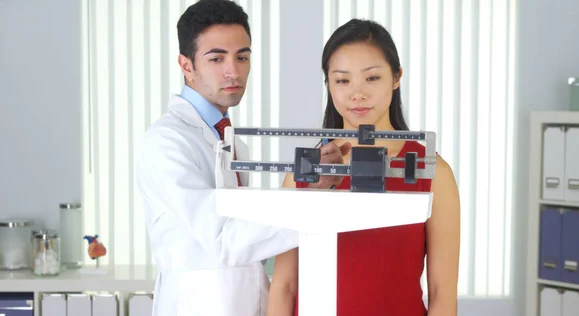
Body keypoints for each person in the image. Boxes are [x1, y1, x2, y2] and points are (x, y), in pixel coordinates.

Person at [135, 1, 347, 315]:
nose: (233, 71)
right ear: (186, 65)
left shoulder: (232, 142)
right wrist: (309, 198)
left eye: (242, 57)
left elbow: (250, 239)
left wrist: (310, 189)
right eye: (216, 58)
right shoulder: (166, 142)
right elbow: (225, 241)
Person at [266, 19, 461, 316]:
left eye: (371, 78)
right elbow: (285, 286)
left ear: (396, 77)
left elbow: (442, 294)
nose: (357, 94)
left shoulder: (433, 173)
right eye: (342, 80)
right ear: (329, 85)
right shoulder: (305, 170)